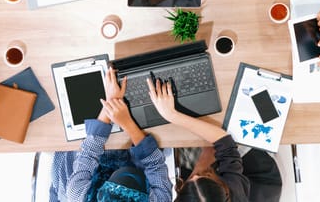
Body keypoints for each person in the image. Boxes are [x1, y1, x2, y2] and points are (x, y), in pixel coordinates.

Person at [148, 78, 282, 201]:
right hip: (259, 176)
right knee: (231, 120)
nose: (193, 176)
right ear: (224, 190)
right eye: (203, 176)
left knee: (179, 141)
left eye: (189, 182)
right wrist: (171, 115)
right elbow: (224, 143)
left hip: (222, 172)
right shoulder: (235, 192)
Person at [50, 68, 173, 201]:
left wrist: (111, 102)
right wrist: (128, 123)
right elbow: (154, 163)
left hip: (84, 174)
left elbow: (89, 151)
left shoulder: (77, 195)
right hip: (137, 160)